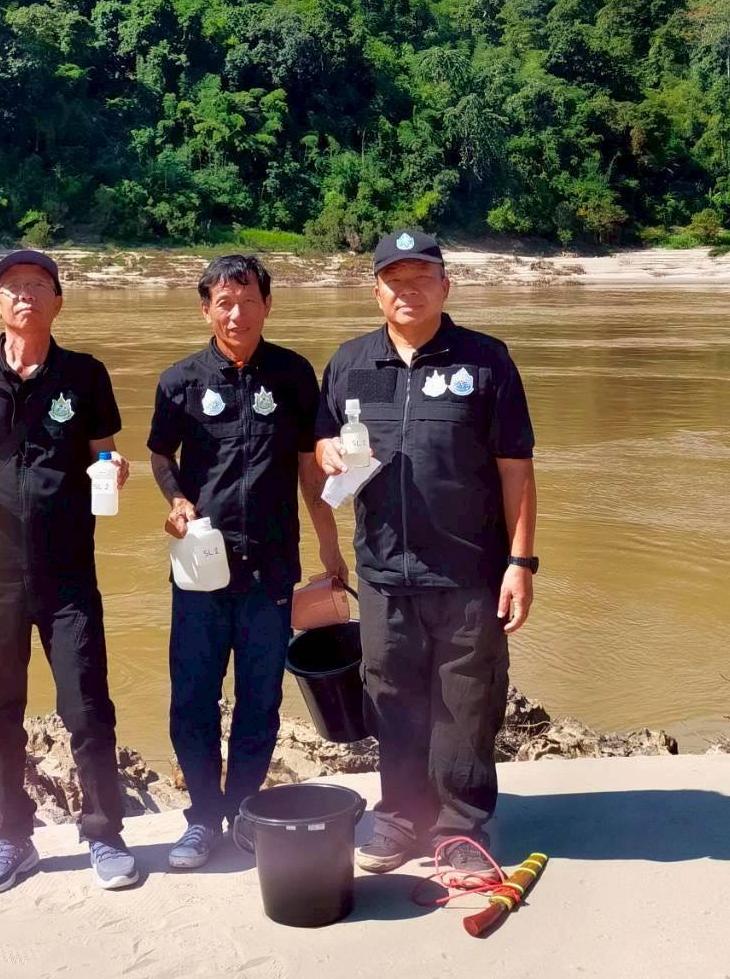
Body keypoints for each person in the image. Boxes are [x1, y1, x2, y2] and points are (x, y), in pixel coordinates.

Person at [314, 230, 538, 876]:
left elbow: (517, 470)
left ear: (446, 285)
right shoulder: (351, 362)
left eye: (421, 279)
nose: (407, 291)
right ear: (376, 290)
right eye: (395, 280)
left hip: (469, 572)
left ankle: (461, 828)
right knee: (390, 696)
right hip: (383, 572)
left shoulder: (485, 362)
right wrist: (327, 451)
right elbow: (323, 441)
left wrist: (520, 564)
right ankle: (400, 816)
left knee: (466, 703)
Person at [0, 249, 138, 895]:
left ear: (58, 302)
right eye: (14, 287)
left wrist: (116, 469)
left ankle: (105, 835)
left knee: (88, 707)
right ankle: (12, 839)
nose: (26, 296)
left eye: (39, 286)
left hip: (68, 572)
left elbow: (105, 453)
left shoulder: (85, 375)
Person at [148, 254, 343, 869]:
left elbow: (310, 468)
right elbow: (160, 454)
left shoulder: (292, 374)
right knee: (193, 698)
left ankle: (244, 809)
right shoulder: (180, 380)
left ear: (268, 305)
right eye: (224, 303)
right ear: (205, 310)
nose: (237, 314)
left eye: (249, 300)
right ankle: (203, 817)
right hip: (200, 566)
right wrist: (177, 499)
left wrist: (331, 547)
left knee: (261, 699)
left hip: (271, 568)